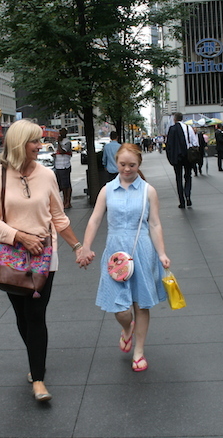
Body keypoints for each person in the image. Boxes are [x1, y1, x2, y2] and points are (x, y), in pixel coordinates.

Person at [0, 119, 86, 403]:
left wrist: (77, 246)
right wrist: (19, 236)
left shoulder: (47, 175)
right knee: (22, 316)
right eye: (35, 142)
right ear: (18, 144)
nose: (40, 147)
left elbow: (58, 217)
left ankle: (38, 378)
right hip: (11, 257)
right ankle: (35, 357)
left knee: (36, 315)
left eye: (40, 141)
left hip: (43, 257)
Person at [77, 143, 170, 372]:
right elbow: (95, 220)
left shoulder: (148, 191)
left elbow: (155, 224)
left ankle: (139, 351)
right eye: (122, 164)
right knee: (121, 309)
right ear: (115, 163)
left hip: (142, 250)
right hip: (115, 253)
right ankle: (127, 328)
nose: (127, 169)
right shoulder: (107, 190)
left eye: (132, 165)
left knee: (141, 303)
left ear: (139, 164)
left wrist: (162, 253)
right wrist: (85, 246)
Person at [166, 112, 199, 208]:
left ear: (175, 119)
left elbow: (169, 145)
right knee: (188, 176)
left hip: (177, 157)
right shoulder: (189, 128)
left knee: (178, 178)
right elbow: (195, 142)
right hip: (188, 156)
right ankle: (188, 195)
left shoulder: (172, 129)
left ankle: (182, 201)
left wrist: (170, 157)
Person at [53, 127, 73, 208]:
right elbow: (58, 152)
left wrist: (58, 143)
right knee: (61, 185)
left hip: (65, 165)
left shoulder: (67, 142)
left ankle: (67, 201)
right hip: (58, 165)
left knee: (66, 185)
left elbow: (62, 151)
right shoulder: (60, 142)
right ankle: (64, 200)